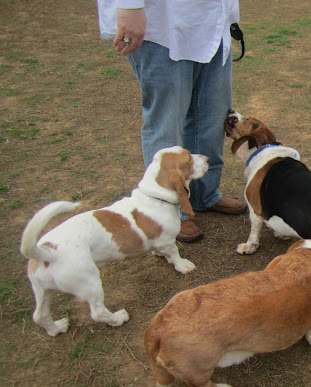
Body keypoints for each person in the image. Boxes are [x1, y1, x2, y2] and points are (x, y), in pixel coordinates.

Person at [97, 0, 247, 242]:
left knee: (211, 116)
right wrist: (129, 5)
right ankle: (168, 211)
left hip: (211, 22)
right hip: (162, 24)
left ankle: (205, 193)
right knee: (166, 122)